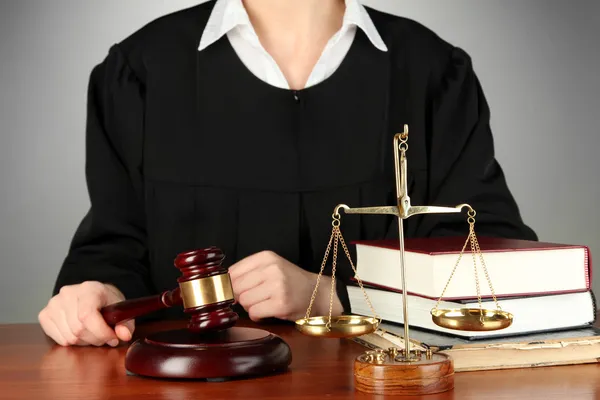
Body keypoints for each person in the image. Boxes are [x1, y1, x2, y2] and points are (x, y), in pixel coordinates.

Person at [38, 0, 537, 347]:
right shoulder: (142, 71)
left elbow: (488, 258)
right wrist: (99, 294)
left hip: (383, 396)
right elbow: (115, 242)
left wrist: (334, 295)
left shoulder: (431, 73)